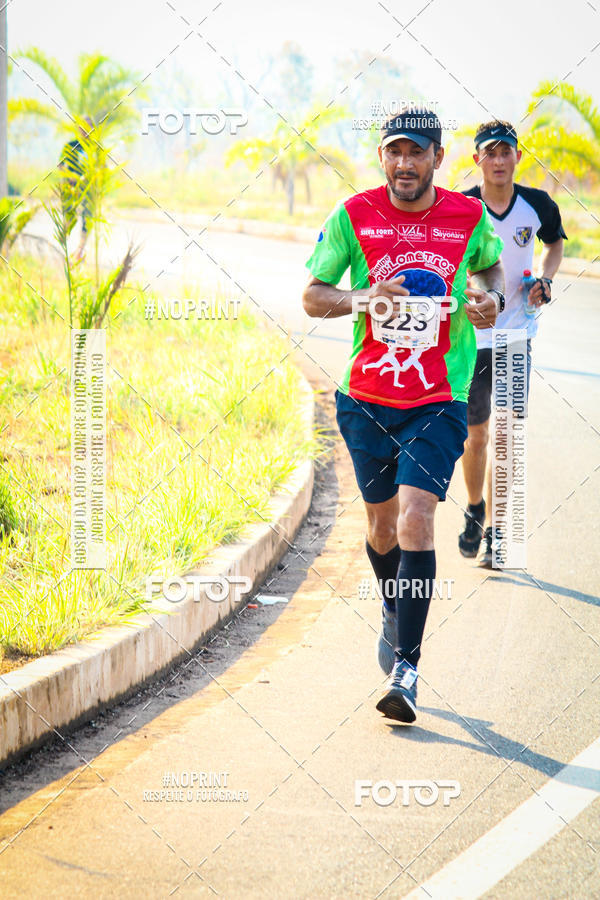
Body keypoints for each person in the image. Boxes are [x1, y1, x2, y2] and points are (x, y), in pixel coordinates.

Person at [302, 108, 505, 723]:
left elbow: (490, 266)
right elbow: (313, 296)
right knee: (382, 528)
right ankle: (394, 605)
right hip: (365, 397)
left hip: (439, 396)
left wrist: (491, 296)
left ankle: (406, 670)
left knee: (418, 518)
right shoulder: (353, 214)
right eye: (395, 151)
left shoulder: (467, 216)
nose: (405, 163)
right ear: (382, 158)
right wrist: (364, 297)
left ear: (438, 157)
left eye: (417, 152)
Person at [458, 120, 566, 567]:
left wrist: (545, 279)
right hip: (472, 338)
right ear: (477, 159)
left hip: (517, 334)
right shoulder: (462, 207)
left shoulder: (538, 204)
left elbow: (554, 246)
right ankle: (475, 508)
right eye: (490, 152)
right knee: (475, 437)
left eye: (506, 152)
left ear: (518, 156)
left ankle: (498, 533)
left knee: (505, 434)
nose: (499, 160)